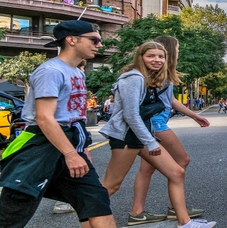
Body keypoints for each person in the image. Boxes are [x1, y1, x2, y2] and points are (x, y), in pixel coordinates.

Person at [0, 21, 116, 228]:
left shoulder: (78, 72)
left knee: (96, 200)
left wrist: (81, 148)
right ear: (72, 40)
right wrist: (71, 153)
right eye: (94, 39)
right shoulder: (51, 71)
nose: (99, 45)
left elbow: (74, 115)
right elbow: (45, 118)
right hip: (41, 148)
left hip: (70, 144)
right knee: (13, 212)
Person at [99, 41, 215, 228]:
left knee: (176, 172)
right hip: (127, 136)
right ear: (140, 57)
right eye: (151, 56)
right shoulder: (133, 77)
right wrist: (151, 142)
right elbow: (130, 115)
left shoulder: (150, 78)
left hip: (142, 134)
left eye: (160, 56)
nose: (157, 60)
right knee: (111, 185)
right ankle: (87, 215)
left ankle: (185, 223)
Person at [129, 35, 212, 224]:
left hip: (153, 122)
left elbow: (170, 100)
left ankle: (137, 212)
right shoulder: (155, 73)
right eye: (177, 48)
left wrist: (194, 115)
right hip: (155, 123)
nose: (178, 51)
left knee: (147, 169)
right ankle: (177, 208)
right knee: (182, 160)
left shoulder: (164, 73)